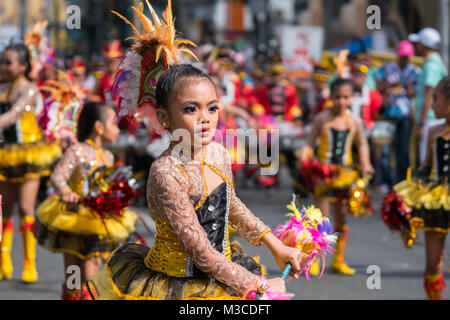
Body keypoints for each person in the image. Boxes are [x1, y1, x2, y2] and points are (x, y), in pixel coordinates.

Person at [86, 1, 306, 299]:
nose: (205, 117)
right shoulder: (166, 172)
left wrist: (276, 245)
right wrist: (259, 284)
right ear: (164, 117)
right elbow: (201, 251)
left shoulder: (218, 152)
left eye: (212, 107)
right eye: (191, 109)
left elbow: (232, 207)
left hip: (223, 274)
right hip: (175, 285)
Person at [34, 101, 138, 300]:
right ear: (99, 127)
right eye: (114, 123)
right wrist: (66, 192)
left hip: (98, 221)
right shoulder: (77, 150)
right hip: (73, 219)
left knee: (92, 274)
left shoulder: (108, 156)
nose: (117, 128)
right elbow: (57, 176)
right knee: (73, 275)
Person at [299, 78, 374, 276]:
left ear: (351, 98)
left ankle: (338, 259)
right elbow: (310, 141)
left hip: (346, 174)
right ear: (330, 97)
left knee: (342, 217)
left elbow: (362, 144)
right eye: (338, 97)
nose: (341, 101)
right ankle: (314, 258)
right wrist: (305, 155)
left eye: (346, 97)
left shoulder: (354, 121)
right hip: (324, 174)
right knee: (321, 218)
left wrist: (366, 163)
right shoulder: (322, 119)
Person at [0, 43, 61, 283]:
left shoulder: (30, 90)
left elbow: (14, 114)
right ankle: (4, 258)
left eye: (8, 62)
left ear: (23, 66)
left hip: (28, 155)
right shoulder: (1, 87)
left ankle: (29, 262)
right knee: (5, 209)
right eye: (2, 61)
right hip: (4, 153)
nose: (3, 66)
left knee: (26, 208)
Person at [392, 77, 450, 299]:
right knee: (433, 262)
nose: (432, 105)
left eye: (436, 99)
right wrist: (408, 189)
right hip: (435, 199)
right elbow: (426, 165)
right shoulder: (434, 131)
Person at [376, 41, 420, 187]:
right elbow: (378, 83)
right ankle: (385, 181)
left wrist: (407, 89)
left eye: (406, 57)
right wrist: (387, 87)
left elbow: (415, 91)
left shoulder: (414, 71)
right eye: (402, 56)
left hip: (404, 114)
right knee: (386, 149)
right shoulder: (388, 68)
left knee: (403, 150)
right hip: (389, 113)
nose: (404, 59)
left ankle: (402, 181)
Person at [409, 28, 448, 164]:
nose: (416, 46)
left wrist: (422, 123)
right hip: (432, 119)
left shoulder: (431, 65)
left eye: (418, 43)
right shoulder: (436, 62)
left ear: (423, 45)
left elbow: (429, 95)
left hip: (430, 120)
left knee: (429, 161)